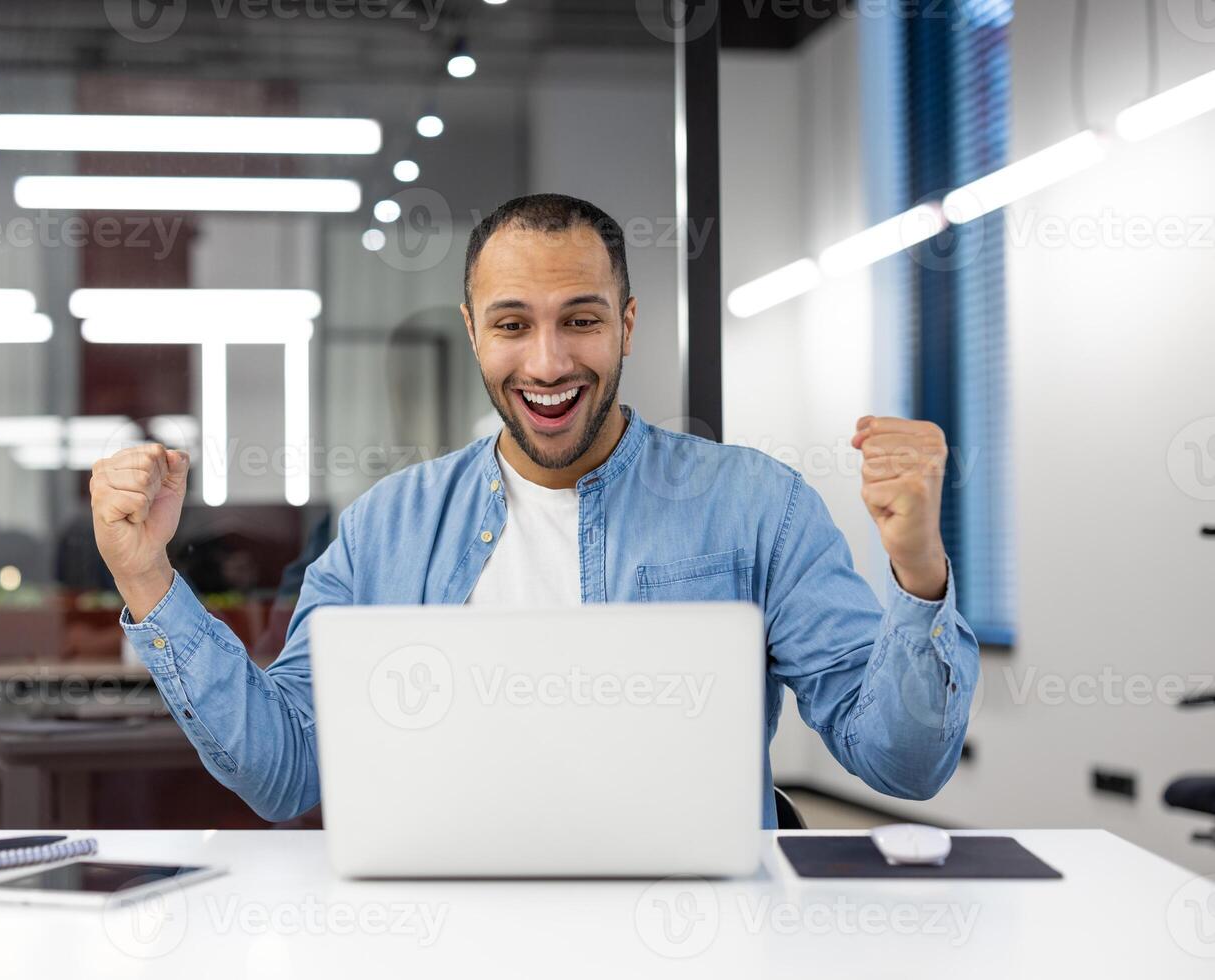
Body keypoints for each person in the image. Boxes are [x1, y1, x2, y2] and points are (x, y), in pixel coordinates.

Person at [89, 193, 980, 828]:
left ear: (628, 325)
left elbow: (902, 763)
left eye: (581, 320)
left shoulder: (756, 505)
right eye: (513, 324)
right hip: (450, 939)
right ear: (474, 329)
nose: (548, 362)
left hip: (696, 938)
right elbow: (284, 773)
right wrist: (148, 579)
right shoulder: (385, 529)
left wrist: (918, 569)